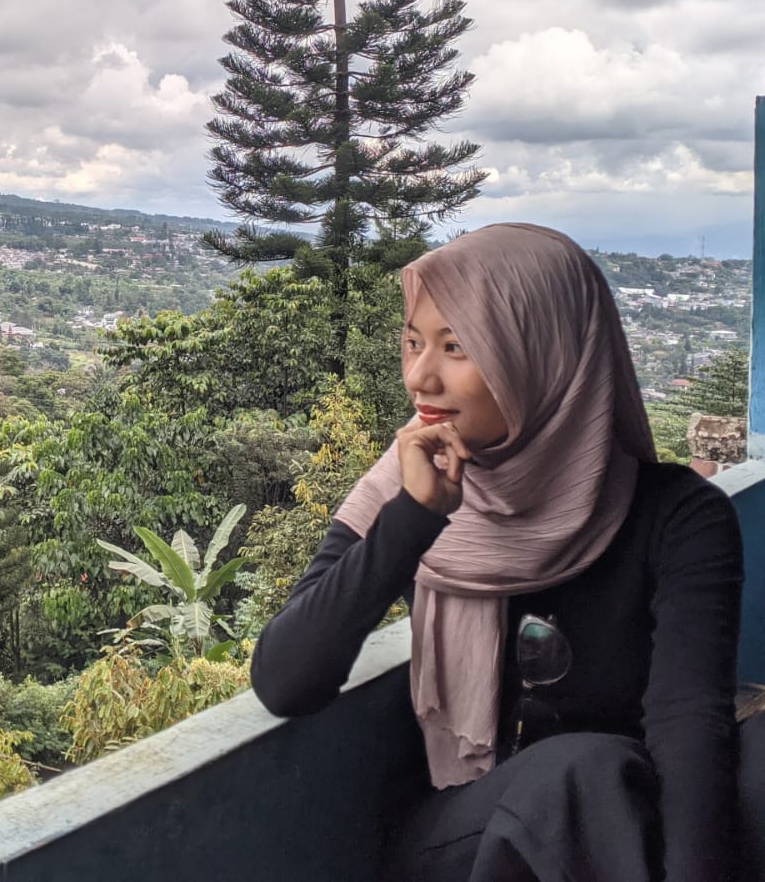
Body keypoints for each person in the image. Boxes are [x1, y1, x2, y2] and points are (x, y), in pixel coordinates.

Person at [250, 223, 744, 881]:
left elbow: (689, 722)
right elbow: (287, 678)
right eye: (414, 342)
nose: (419, 376)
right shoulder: (407, 487)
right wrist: (414, 519)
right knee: (579, 771)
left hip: (620, 825)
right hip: (466, 830)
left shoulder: (678, 515)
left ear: (545, 356)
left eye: (456, 347)